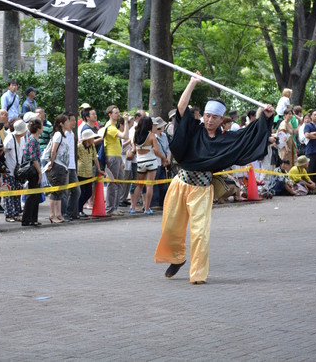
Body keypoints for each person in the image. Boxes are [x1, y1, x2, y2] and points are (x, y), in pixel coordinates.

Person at [154, 72, 274, 284]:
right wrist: (192, 83)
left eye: (214, 117)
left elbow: (251, 134)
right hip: (180, 183)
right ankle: (177, 257)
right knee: (171, 227)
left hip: (202, 189)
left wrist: (265, 115)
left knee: (200, 232)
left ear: (221, 120)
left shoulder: (227, 139)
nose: (209, 120)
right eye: (207, 115)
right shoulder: (193, 129)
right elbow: (181, 110)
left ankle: (198, 273)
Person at [129, 116, 167, 215]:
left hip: (140, 162)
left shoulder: (136, 136)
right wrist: (163, 158)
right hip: (151, 162)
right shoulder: (151, 136)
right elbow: (156, 151)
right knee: (149, 186)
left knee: (139, 186)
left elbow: (133, 150)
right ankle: (147, 209)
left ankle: (132, 207)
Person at [103, 105, 129, 216]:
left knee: (119, 183)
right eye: (116, 113)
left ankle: (115, 207)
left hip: (116, 156)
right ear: (110, 114)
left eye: (118, 112)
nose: (118, 114)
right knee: (113, 184)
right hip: (112, 157)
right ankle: (110, 209)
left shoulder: (112, 126)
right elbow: (125, 136)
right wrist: (126, 122)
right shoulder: (110, 127)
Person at [45, 114, 71, 224]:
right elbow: (53, 150)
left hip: (63, 166)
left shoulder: (64, 135)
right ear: (61, 124)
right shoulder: (58, 135)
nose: (69, 123)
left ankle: (58, 213)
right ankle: (52, 214)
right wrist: (51, 162)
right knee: (55, 191)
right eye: (67, 121)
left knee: (60, 191)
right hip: (57, 165)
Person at [2, 119, 27, 222]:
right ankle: (9, 214)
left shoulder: (22, 138)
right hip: (9, 169)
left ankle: (17, 213)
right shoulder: (9, 139)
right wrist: (3, 170)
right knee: (8, 192)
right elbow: (3, 154)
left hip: (18, 170)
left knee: (17, 191)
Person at [21, 118, 43, 226]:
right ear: (38, 128)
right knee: (32, 195)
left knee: (36, 195)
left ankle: (33, 218)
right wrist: (40, 172)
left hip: (35, 169)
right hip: (33, 170)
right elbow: (34, 158)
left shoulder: (32, 139)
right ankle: (27, 219)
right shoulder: (33, 140)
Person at [77, 129, 102, 218]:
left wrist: (99, 169)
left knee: (88, 192)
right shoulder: (79, 146)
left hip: (89, 173)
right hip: (80, 173)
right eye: (92, 137)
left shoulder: (92, 146)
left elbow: (95, 158)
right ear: (87, 139)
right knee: (81, 192)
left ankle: (78, 208)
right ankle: (79, 210)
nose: (93, 139)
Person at [62, 112, 81, 221]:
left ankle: (68, 212)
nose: (74, 122)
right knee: (64, 192)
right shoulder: (62, 134)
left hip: (72, 166)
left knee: (76, 191)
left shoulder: (72, 133)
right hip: (65, 166)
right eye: (72, 120)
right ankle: (63, 213)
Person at [304, 110, 316, 187]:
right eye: (314, 115)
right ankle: (310, 187)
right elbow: (307, 135)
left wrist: (314, 133)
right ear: (311, 116)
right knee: (309, 170)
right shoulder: (308, 125)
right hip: (310, 151)